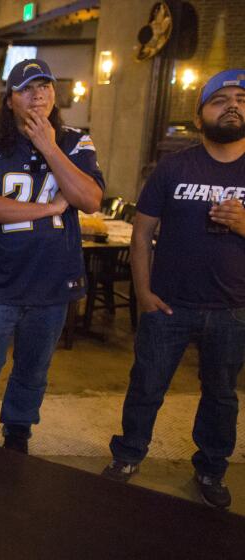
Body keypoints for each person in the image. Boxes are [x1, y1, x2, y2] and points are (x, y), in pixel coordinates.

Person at [0, 59, 104, 453]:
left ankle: (18, 430)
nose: (38, 95)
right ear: (10, 99)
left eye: (45, 86)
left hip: (53, 277)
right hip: (0, 278)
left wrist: (49, 147)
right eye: (27, 88)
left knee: (34, 368)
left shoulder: (75, 141)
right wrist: (49, 209)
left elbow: (90, 200)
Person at [103, 70, 245, 509]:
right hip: (168, 304)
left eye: (241, 98)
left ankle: (211, 468)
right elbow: (141, 232)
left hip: (233, 307)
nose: (233, 106)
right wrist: (143, 292)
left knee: (221, 394)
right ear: (200, 115)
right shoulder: (175, 166)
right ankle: (128, 456)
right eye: (220, 100)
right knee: (146, 384)